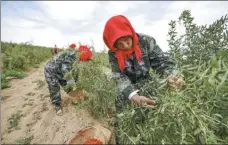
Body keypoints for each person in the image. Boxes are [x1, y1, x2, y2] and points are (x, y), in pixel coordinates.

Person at [103, 15, 185, 144]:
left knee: (149, 120)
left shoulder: (147, 42)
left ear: (130, 32)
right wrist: (133, 96)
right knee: (123, 122)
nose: (124, 45)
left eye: (126, 40)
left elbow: (163, 63)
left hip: (147, 85)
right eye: (119, 44)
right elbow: (118, 77)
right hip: (126, 91)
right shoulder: (113, 53)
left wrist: (174, 76)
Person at [44, 43, 93, 116]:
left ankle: (75, 95)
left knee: (68, 85)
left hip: (61, 72)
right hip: (51, 70)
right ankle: (57, 105)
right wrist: (73, 85)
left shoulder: (77, 59)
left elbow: (74, 73)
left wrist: (77, 86)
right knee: (54, 87)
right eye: (86, 59)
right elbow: (66, 70)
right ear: (83, 55)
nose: (85, 62)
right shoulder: (72, 56)